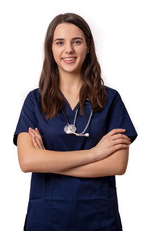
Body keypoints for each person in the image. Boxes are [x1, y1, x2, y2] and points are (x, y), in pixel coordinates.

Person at [13, 13, 137, 231]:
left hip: (98, 217)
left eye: (76, 41)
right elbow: (28, 161)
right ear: (51, 49)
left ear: (87, 46)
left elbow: (117, 165)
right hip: (47, 217)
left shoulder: (111, 100)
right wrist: (95, 154)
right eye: (60, 42)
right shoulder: (35, 101)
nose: (68, 49)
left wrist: (49, 163)